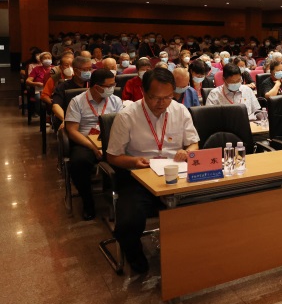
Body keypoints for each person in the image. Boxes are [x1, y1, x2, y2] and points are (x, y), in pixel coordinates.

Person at [106, 68, 200, 273]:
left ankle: (195, 253)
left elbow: (194, 143)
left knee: (207, 205)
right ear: (143, 92)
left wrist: (187, 152)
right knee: (128, 222)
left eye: (168, 97)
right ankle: (136, 257)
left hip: (176, 174)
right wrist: (133, 161)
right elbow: (112, 156)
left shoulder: (180, 110)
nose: (162, 103)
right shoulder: (127, 116)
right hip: (139, 177)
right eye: (155, 98)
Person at [65, 69, 123, 220]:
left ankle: (122, 200)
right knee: (79, 163)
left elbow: (122, 125)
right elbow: (72, 131)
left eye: (114, 84)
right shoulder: (77, 102)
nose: (113, 88)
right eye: (109, 85)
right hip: (86, 142)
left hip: (111, 141)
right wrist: (93, 147)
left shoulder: (116, 101)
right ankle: (88, 202)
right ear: (97, 87)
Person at [52, 56, 93, 131]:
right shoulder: (63, 86)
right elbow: (56, 106)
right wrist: (65, 120)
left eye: (89, 69)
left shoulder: (93, 85)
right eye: (85, 70)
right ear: (75, 71)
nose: (88, 72)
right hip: (69, 118)